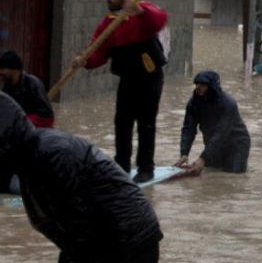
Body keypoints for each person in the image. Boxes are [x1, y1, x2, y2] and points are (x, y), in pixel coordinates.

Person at [0, 92, 163, 263]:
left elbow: (79, 223)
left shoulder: (52, 154)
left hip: (127, 238)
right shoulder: (22, 160)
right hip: (94, 237)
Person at [72, 0, 168, 183]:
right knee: (122, 121)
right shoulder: (107, 23)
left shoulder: (141, 9)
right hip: (127, 78)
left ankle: (145, 168)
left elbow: (160, 20)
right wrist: (84, 61)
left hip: (149, 77)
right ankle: (121, 165)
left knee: (146, 123)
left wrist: (141, 11)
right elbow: (98, 53)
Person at [175, 71, 250, 174]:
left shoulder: (228, 104)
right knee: (212, 175)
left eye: (202, 85)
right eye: (196, 84)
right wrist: (184, 152)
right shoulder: (193, 103)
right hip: (212, 143)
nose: (198, 87)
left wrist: (202, 158)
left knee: (232, 178)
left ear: (212, 86)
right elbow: (188, 128)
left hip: (236, 144)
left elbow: (221, 134)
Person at [0, 49, 54, 128]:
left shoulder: (33, 84)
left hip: (33, 126)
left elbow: (47, 117)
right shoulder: (5, 86)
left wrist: (21, 121)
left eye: (2, 69)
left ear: (15, 70)